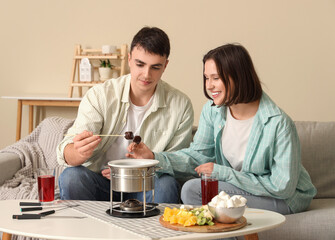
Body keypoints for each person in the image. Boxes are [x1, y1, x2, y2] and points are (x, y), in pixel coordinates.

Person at [127, 43, 316, 214]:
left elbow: (282, 187)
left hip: (283, 198)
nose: (209, 86)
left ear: (239, 77)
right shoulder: (213, 111)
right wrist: (153, 157)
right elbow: (197, 157)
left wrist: (222, 173)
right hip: (243, 189)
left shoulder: (278, 123)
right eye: (206, 78)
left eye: (216, 78)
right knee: (192, 188)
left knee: (194, 190)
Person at [56, 26, 194, 203]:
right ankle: (87, 230)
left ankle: (153, 232)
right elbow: (66, 151)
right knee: (71, 177)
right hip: (103, 184)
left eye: (155, 67)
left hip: (147, 185)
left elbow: (182, 165)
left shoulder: (180, 105)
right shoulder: (100, 95)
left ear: (165, 65)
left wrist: (151, 159)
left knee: (167, 184)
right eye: (140, 64)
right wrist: (79, 153)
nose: (146, 74)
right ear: (129, 59)